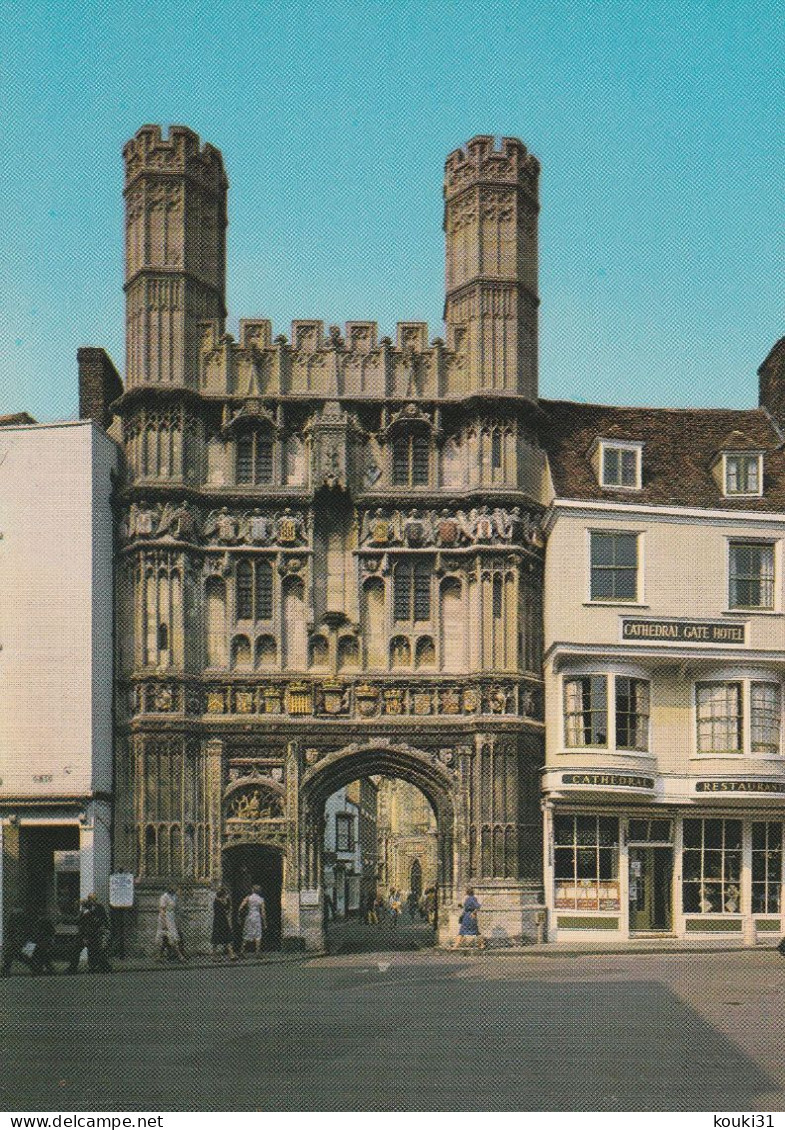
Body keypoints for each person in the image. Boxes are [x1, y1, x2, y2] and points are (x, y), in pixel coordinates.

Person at [68, 894, 111, 973]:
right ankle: (72, 967)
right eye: (90, 899)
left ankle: (102, 967)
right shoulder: (85, 908)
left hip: (93, 933)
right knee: (76, 949)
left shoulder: (99, 908)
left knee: (95, 951)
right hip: (84, 932)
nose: (91, 901)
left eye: (93, 899)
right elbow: (80, 920)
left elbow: (102, 920)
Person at [156, 887, 185, 962]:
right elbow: (162, 910)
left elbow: (177, 910)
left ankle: (159, 956)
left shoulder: (174, 897)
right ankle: (180, 956)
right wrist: (164, 922)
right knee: (172, 937)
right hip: (165, 917)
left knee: (166, 938)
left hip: (171, 918)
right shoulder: (164, 897)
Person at [1, 906, 32, 976]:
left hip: (29, 943)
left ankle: (35, 966)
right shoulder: (18, 925)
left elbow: (31, 937)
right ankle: (6, 969)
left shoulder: (26, 924)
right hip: (23, 943)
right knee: (11, 952)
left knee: (23, 955)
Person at [239, 885, 266, 957]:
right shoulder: (261, 899)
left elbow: (241, 907)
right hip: (257, 917)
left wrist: (240, 915)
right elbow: (263, 912)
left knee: (247, 933)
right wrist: (265, 922)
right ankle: (257, 953)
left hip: (249, 916)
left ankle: (242, 951)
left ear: (252, 890)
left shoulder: (248, 898)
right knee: (258, 934)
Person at [211, 888, 238, 960]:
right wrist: (226, 901)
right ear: (222, 895)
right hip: (219, 921)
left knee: (227, 937)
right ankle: (214, 956)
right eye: (225, 895)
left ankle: (231, 954)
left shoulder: (220, 901)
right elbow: (225, 909)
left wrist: (228, 901)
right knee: (217, 939)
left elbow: (228, 908)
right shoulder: (217, 901)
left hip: (222, 921)